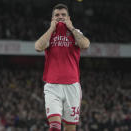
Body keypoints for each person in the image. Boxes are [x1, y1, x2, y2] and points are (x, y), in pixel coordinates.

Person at [35, 3, 90, 131]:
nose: (60, 17)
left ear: (69, 17)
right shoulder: (49, 34)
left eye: (63, 15)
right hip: (53, 85)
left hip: (72, 86)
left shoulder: (75, 33)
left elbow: (85, 44)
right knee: (54, 126)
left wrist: (71, 28)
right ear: (52, 18)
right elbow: (38, 47)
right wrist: (51, 29)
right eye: (57, 15)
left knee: (70, 127)